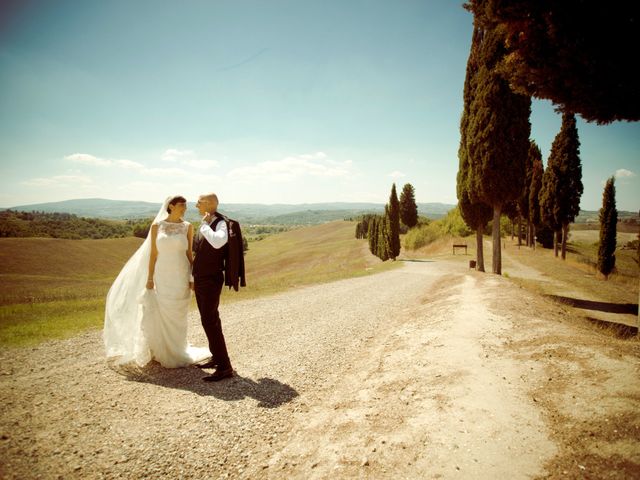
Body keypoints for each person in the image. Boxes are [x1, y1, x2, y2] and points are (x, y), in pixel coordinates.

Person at [104, 195, 209, 368]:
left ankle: (177, 349)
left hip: (181, 275)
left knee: (178, 313)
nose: (185, 208)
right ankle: (160, 350)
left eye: (185, 205)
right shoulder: (157, 227)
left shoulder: (188, 227)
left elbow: (189, 254)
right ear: (171, 206)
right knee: (161, 310)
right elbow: (153, 255)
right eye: (182, 205)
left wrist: (193, 277)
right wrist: (150, 278)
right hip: (162, 274)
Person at [192, 193, 234, 382]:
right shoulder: (207, 222)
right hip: (201, 279)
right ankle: (217, 358)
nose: (195, 205)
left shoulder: (220, 223)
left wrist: (205, 226)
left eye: (199, 202)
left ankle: (225, 367)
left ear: (209, 204)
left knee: (211, 321)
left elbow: (218, 242)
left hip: (211, 279)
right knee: (207, 320)